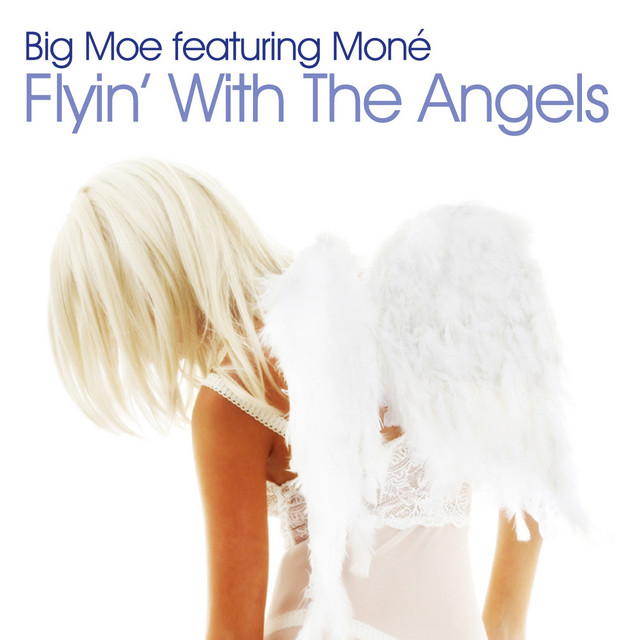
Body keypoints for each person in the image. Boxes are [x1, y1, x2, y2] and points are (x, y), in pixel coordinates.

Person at [49, 158, 579, 640]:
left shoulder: (232, 396)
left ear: (148, 289)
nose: (133, 350)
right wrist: (502, 625)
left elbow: (232, 633)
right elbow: (533, 464)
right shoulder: (399, 299)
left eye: (114, 322)